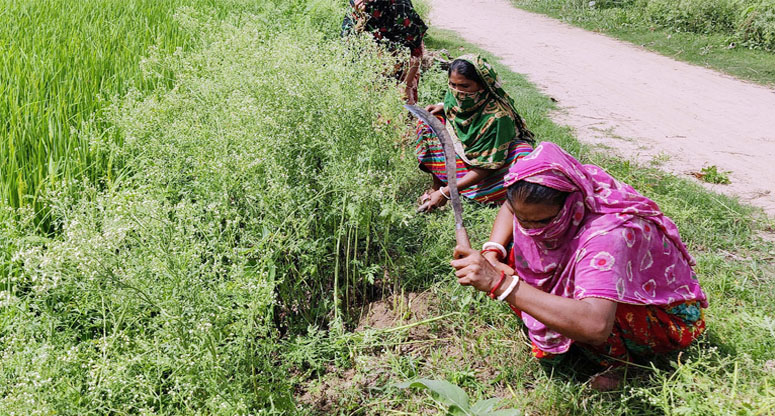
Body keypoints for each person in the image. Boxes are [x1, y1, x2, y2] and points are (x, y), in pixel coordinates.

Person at [450, 142, 707, 390]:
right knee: (514, 256)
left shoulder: (607, 236)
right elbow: (511, 206)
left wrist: (501, 284)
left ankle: (622, 364)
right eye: (523, 220)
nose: (531, 230)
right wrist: (493, 251)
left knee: (600, 309)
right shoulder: (565, 183)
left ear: (571, 206)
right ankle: (557, 314)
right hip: (597, 281)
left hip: (660, 316)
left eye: (543, 221)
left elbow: (595, 326)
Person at [416, 55, 535, 212]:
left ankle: (458, 190)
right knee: (431, 122)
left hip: (492, 168)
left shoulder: (498, 118)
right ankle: (438, 185)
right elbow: (456, 110)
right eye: (453, 85)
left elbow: (486, 166)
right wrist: (443, 108)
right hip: (465, 157)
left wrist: (446, 193)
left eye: (465, 86)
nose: (457, 92)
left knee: (523, 157)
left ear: (482, 85)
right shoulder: (454, 97)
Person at [342, 0, 428, 104]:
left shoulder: (400, 9)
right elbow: (349, 43)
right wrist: (360, 18)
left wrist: (407, 86)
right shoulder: (357, 4)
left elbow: (416, 51)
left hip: (402, 62)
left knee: (402, 105)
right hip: (372, 63)